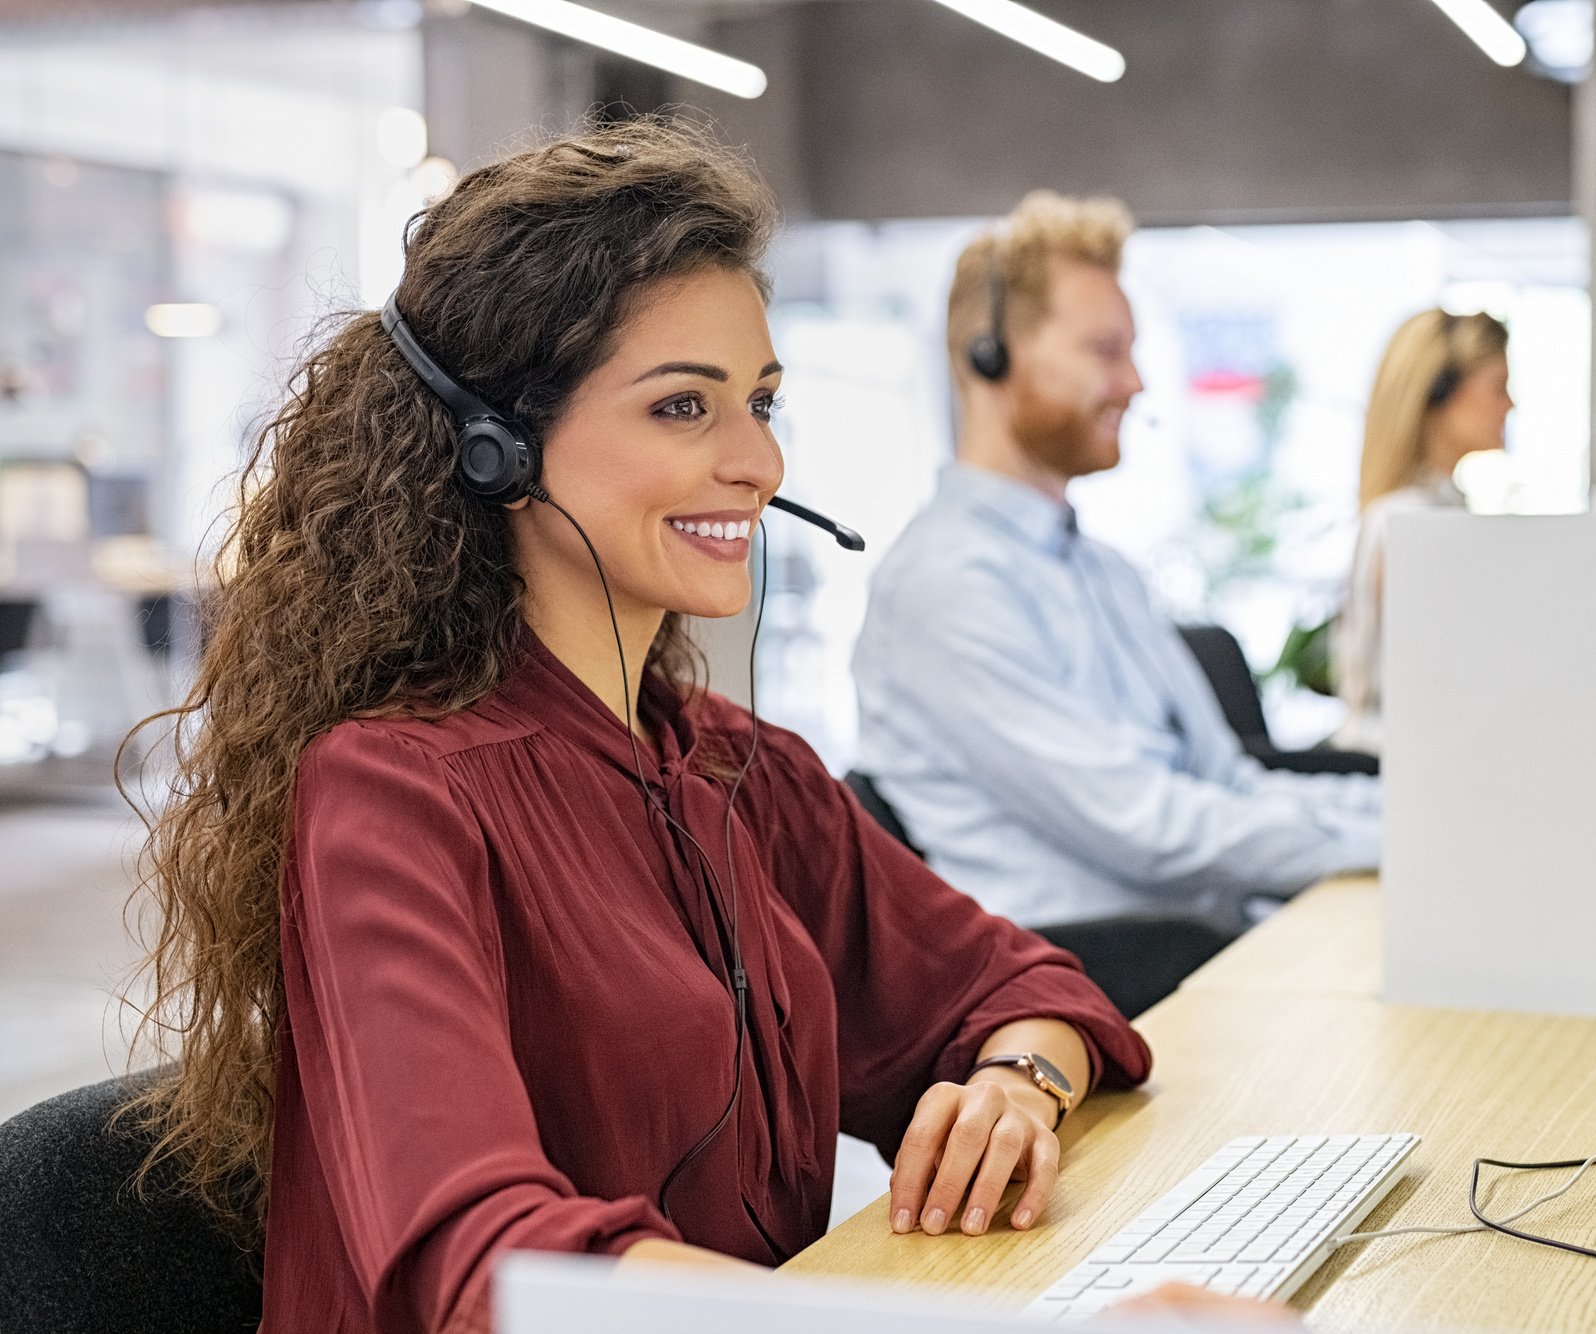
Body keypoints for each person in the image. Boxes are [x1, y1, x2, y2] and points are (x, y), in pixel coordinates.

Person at [116, 121, 1171, 1334]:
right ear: (497, 445)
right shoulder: (390, 794)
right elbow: (489, 1266)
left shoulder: (738, 767)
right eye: (683, 407)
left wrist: (1014, 1085)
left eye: (761, 403)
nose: (758, 462)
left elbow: (1023, 983)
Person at [851, 192, 1381, 962]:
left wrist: (1412, 817)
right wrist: (1397, 840)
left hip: (1211, 946)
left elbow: (1227, 782)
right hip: (1096, 980)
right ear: (988, 355)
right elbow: (1150, 830)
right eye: (1104, 351)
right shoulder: (946, 587)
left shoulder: (1104, 573)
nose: (1134, 383)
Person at [1332, 309, 1511, 756]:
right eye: (1498, 386)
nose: (1510, 404)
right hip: (1393, 765)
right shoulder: (1413, 524)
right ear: (1439, 392)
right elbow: (1451, 679)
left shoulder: (1431, 513)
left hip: (1416, 759)